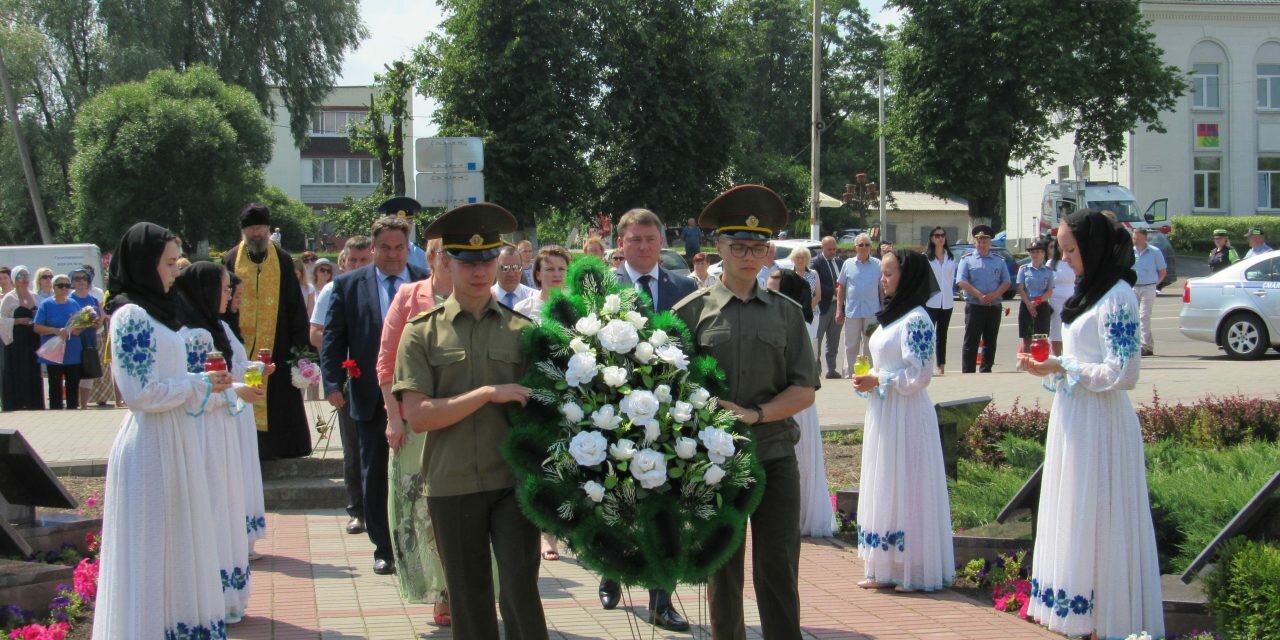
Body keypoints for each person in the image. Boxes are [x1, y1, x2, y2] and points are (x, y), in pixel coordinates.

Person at [394, 202, 549, 640]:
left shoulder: (522, 331)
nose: (479, 271)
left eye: (486, 261)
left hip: (511, 482)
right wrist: (486, 394)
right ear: (446, 261)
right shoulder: (421, 331)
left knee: (520, 590)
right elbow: (419, 417)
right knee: (469, 597)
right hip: (452, 482)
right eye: (467, 261)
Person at [675, 185, 818, 639]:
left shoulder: (787, 313)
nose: (748, 254)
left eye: (758, 246)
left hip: (773, 455)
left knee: (779, 566)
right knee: (723, 569)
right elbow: (672, 391)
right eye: (738, 245)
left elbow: (805, 389)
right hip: (714, 464)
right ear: (718, 248)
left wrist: (756, 414)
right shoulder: (690, 313)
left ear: (768, 251)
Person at [1016, 209, 1164, 640]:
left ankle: (1105, 616)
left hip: (1101, 422)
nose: (1065, 261)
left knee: (1097, 512)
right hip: (1075, 417)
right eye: (1061, 251)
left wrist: (1064, 365)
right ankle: (1081, 614)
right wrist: (1052, 370)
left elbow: (1125, 372)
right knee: (1076, 508)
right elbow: (1079, 363)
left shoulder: (1117, 296)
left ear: (1094, 247)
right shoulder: (1087, 293)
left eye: (1070, 250)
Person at [93, 222, 230, 638]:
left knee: (179, 546)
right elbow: (139, 393)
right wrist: (197, 383)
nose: (175, 272)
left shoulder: (158, 313)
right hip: (151, 445)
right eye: (169, 263)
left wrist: (207, 385)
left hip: (175, 440)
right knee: (153, 548)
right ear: (144, 264)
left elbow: (168, 382)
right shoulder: (130, 316)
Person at [601, 207, 697, 631]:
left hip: (670, 413)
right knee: (618, 501)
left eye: (650, 239)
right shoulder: (604, 288)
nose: (643, 246)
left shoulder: (684, 286)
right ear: (620, 244)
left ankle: (661, 599)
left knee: (666, 505)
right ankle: (612, 567)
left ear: (662, 243)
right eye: (634, 239)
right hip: (614, 412)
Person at [322, 215, 428, 575]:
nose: (393, 254)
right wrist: (333, 383)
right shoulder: (349, 285)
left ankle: (418, 543)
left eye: (400, 247)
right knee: (374, 472)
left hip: (418, 395)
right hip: (369, 394)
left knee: (419, 471)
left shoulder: (423, 282)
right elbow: (334, 338)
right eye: (385, 247)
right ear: (373, 247)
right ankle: (383, 547)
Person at [852, 249, 953, 592]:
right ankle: (885, 565)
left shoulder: (917, 319)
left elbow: (920, 375)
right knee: (886, 480)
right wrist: (873, 379)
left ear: (907, 276)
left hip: (907, 413)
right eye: (882, 274)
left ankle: (913, 566)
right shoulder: (891, 316)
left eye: (889, 273)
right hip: (885, 410)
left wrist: (879, 379)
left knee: (907, 482)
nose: (883, 280)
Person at [174, 262, 266, 623]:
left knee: (224, 504)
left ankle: (225, 592)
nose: (229, 296)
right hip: (206, 430)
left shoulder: (213, 328)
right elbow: (201, 391)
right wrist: (238, 391)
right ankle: (212, 595)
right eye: (225, 289)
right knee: (214, 506)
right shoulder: (195, 335)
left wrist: (238, 389)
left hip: (220, 425)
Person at [378, 237, 454, 626]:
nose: (449, 260)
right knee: (422, 509)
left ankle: (460, 590)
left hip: (462, 420)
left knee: (461, 507)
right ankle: (440, 590)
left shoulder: (477, 294)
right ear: (430, 257)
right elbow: (386, 363)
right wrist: (394, 417)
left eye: (455, 253)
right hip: (416, 422)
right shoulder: (410, 295)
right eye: (443, 252)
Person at [222, 202, 312, 459]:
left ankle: (281, 448)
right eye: (252, 229)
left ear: (268, 228)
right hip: (241, 345)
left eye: (261, 228)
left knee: (279, 399)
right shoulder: (231, 259)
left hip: (278, 344)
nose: (257, 234)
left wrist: (300, 351)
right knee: (246, 389)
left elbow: (295, 306)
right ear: (243, 231)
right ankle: (247, 448)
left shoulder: (282, 259)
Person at [311, 236, 373, 536]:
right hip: (352, 379)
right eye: (354, 261)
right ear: (343, 261)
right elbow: (318, 334)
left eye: (364, 261)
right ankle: (357, 510)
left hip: (381, 378)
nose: (359, 266)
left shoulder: (379, 287)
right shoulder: (334, 289)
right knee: (354, 447)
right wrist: (337, 373)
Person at [769, 269, 830, 539]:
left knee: (799, 458)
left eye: (774, 290)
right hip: (777, 399)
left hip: (795, 402)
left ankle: (799, 513)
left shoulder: (798, 323)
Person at [220, 270, 267, 557]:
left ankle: (245, 539)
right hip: (227, 406)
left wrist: (258, 372)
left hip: (239, 406)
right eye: (230, 293)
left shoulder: (225, 326)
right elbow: (227, 370)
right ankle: (237, 540)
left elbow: (237, 365)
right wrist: (254, 372)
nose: (234, 300)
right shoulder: (213, 329)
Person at [956, 225, 1011, 373]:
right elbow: (961, 281)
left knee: (990, 340)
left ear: (990, 242)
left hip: (993, 306)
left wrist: (994, 295)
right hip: (975, 305)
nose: (982, 244)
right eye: (979, 241)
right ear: (975, 242)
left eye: (985, 241)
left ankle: (986, 369)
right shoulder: (966, 260)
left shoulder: (999, 260)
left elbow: (1006, 281)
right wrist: (979, 295)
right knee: (971, 340)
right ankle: (968, 370)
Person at [34, 274, 85, 410]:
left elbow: (80, 325)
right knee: (55, 383)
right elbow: (37, 327)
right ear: (54, 287)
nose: (64, 289)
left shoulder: (74, 304)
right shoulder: (46, 304)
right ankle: (56, 411)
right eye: (60, 286)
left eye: (67, 286)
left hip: (72, 350)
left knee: (73, 382)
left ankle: (73, 409)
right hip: (55, 351)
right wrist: (55, 330)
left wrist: (76, 330)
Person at [836, 233, 880, 376]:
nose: (864, 247)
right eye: (860, 245)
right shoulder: (848, 264)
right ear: (855, 247)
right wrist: (839, 310)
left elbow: (882, 288)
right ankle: (850, 373)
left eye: (867, 244)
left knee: (870, 344)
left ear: (871, 248)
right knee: (851, 345)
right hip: (852, 312)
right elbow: (841, 288)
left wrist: (884, 309)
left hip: (872, 312)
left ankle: (868, 373)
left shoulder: (878, 264)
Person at [1, 266, 45, 410]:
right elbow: (1, 319)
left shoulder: (35, 296)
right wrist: (17, 321)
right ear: (14, 279)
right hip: (16, 339)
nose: (24, 279)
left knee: (33, 368)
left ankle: (34, 402)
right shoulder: (9, 298)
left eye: (26, 276)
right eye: (20, 276)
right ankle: (17, 403)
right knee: (18, 369)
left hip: (32, 338)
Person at [69, 269, 105, 409]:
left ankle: (84, 405)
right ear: (72, 281)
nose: (81, 281)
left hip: (90, 338)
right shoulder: (70, 299)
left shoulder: (93, 299)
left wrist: (96, 322)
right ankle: (74, 402)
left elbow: (100, 320)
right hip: (74, 339)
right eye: (77, 279)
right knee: (74, 371)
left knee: (88, 370)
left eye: (84, 278)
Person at [924, 227, 956, 375]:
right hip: (931, 301)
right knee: (928, 335)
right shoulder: (927, 258)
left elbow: (951, 279)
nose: (940, 238)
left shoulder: (951, 257)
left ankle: (941, 365)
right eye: (937, 236)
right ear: (932, 239)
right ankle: (926, 365)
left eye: (943, 235)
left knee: (942, 335)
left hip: (947, 301)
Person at [812, 236, 844, 379]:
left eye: (834, 249)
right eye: (829, 249)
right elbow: (815, 284)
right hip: (822, 306)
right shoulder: (816, 263)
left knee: (834, 340)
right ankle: (816, 370)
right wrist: (833, 291)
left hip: (838, 306)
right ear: (822, 248)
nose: (832, 252)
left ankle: (831, 369)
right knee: (817, 340)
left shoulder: (839, 262)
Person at [1131, 228, 1166, 357]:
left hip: (1149, 287)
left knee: (1144, 316)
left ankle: (1145, 346)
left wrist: (1155, 284)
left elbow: (1162, 271)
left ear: (1145, 238)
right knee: (1133, 316)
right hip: (1133, 287)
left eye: (1138, 239)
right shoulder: (1130, 252)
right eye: (1134, 238)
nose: (1135, 241)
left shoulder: (1154, 252)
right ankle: (1142, 345)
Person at [1015, 240, 1054, 352]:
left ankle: (1039, 364)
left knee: (1041, 339)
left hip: (1042, 305)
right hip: (1026, 305)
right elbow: (1020, 288)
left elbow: (1050, 291)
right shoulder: (1024, 269)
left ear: (1043, 254)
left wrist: (1037, 302)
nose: (1035, 254)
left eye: (1037, 251)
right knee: (1027, 339)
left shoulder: (1048, 271)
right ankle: (1028, 364)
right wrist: (1029, 304)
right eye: (1032, 252)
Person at [514, 245, 571, 321]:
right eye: (550, 269)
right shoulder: (523, 310)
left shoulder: (576, 307)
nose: (557, 274)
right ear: (538, 275)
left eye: (561, 269)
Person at [379, 196, 429, 272]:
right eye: (399, 222)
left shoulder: (421, 256)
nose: (405, 225)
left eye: (409, 221)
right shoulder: (375, 252)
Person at [1045, 235, 1074, 357]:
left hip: (1072, 301)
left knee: (1070, 331)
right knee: (1056, 332)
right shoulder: (1051, 263)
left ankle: (1069, 357)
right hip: (1055, 302)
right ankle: (1057, 357)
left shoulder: (1074, 260)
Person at [789, 245, 820, 343]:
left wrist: (806, 311)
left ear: (807, 259)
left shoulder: (814, 273)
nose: (800, 260)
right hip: (793, 315)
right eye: (798, 257)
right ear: (793, 258)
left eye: (803, 257)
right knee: (795, 342)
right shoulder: (788, 274)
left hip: (812, 313)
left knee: (811, 341)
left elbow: (818, 295)